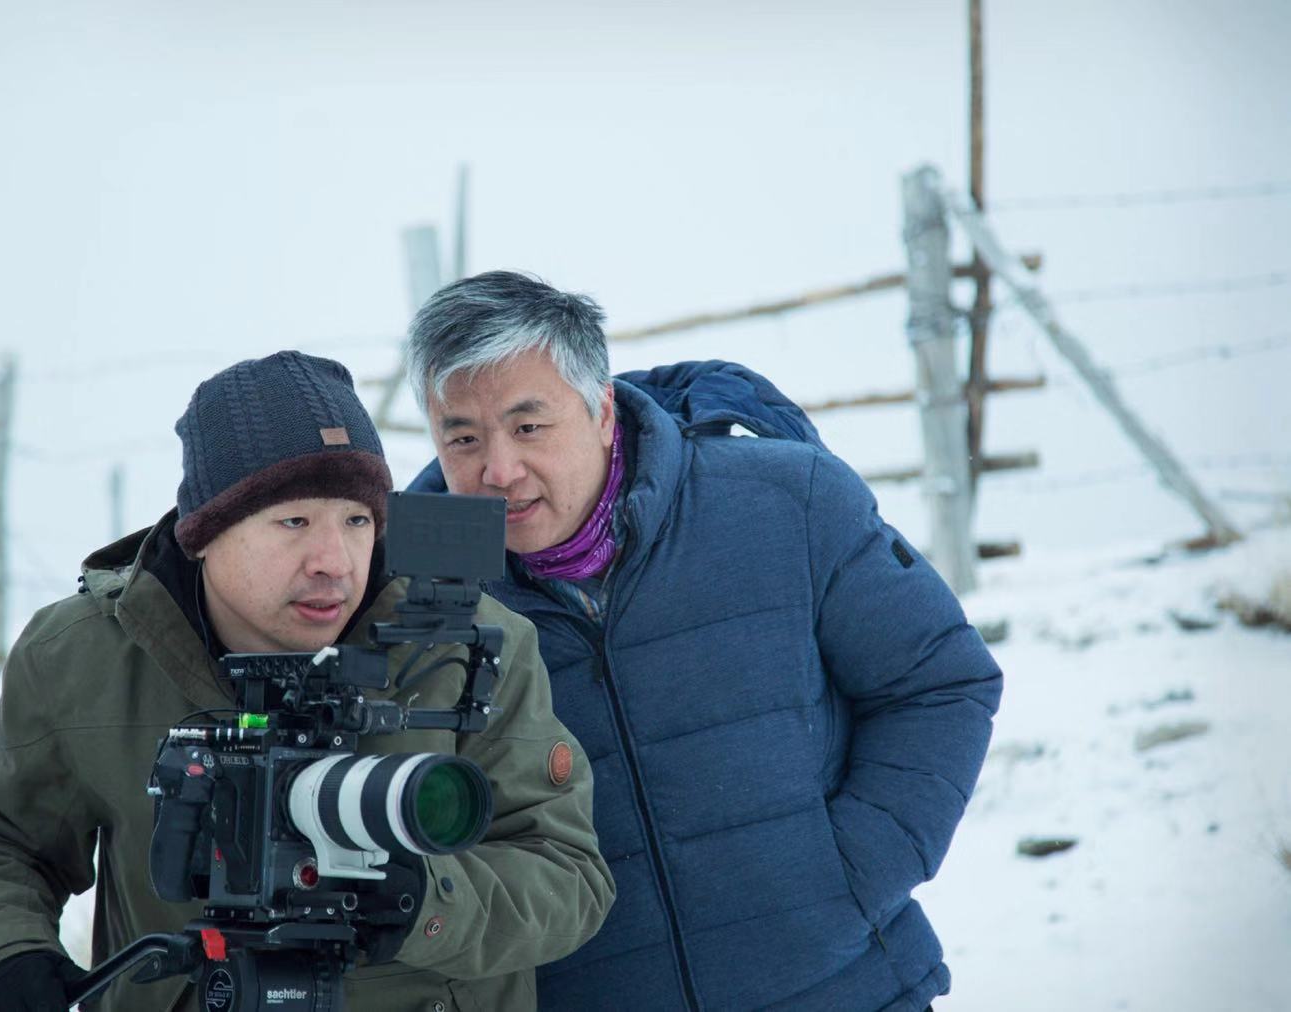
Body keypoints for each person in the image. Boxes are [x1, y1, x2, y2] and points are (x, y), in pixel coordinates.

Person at [0, 351, 614, 1012]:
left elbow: (567, 873)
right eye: (293, 521)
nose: (333, 562)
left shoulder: (465, 650)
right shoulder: (85, 655)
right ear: (204, 532)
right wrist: (2, 956)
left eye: (357, 521)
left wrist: (427, 901)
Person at [405, 272, 1003, 1011]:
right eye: (462, 438)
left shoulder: (784, 502)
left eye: (528, 427)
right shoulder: (417, 596)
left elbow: (938, 682)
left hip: (844, 989)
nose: (498, 470)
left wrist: (849, 874)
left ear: (601, 411)